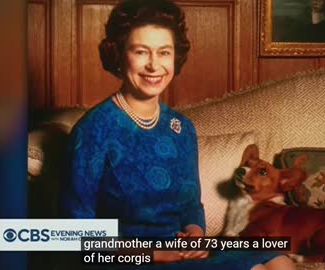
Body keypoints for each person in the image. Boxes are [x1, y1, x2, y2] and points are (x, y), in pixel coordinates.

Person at [61, 0, 296, 269]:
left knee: (280, 262)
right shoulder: (92, 131)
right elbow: (76, 233)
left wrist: (195, 233)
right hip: (126, 259)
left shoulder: (181, 128)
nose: (154, 65)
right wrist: (152, 254)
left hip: (180, 253)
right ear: (119, 54)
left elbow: (190, 205)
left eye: (164, 53)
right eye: (141, 52)